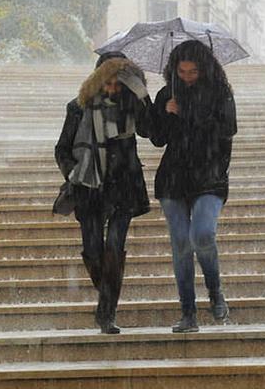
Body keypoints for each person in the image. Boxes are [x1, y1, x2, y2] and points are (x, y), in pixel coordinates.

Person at [55, 52, 152, 334]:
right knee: (93, 250)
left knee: (114, 248)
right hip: (88, 187)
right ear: (97, 80)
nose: (112, 89)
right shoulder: (77, 108)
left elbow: (152, 133)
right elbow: (62, 149)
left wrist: (142, 95)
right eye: (107, 83)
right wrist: (74, 173)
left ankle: (106, 313)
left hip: (124, 188)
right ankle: (108, 294)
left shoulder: (133, 107)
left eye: (118, 83)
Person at [149, 40, 237, 333]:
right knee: (181, 244)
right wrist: (164, 111)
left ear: (205, 69)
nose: (187, 76)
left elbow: (227, 131)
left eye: (193, 71)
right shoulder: (167, 93)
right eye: (182, 71)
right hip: (173, 178)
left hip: (209, 177)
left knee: (202, 234)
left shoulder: (220, 94)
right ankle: (188, 312)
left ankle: (215, 291)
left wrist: (188, 113)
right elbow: (157, 138)